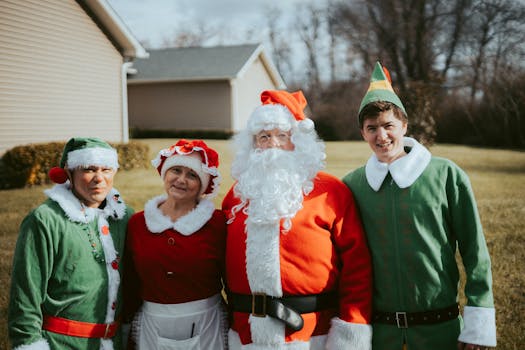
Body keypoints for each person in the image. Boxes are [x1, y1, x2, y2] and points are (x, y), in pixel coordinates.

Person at [342, 62, 497, 350]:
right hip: (380, 334)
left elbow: (475, 251)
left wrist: (478, 322)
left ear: (404, 125)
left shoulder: (446, 174)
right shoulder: (353, 185)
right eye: (371, 128)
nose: (382, 135)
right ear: (363, 133)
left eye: (389, 125)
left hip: (441, 330)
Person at [222, 90, 373, 349]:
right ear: (253, 144)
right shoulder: (237, 195)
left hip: (313, 334)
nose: (273, 144)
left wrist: (351, 331)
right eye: (264, 137)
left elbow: (357, 268)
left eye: (283, 136)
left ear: (299, 142)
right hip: (247, 335)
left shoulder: (330, 191)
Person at [8, 137, 133, 350]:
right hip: (61, 344)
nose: (99, 178)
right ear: (69, 172)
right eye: (89, 169)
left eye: (106, 169)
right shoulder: (45, 220)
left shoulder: (125, 217)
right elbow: (24, 299)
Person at [123, 139, 228, 349]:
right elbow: (130, 283)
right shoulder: (137, 223)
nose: (181, 180)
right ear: (164, 174)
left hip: (207, 325)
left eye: (192, 175)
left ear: (203, 185)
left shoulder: (217, 224)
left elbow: (232, 280)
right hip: (152, 325)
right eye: (176, 171)